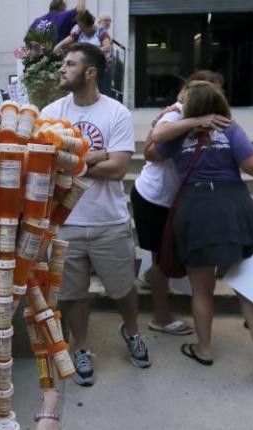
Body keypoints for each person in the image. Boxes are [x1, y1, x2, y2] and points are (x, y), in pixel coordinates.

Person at [148, 81, 253, 377]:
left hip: (196, 208)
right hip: (234, 205)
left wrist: (172, 118)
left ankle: (204, 349)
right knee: (247, 285)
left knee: (202, 290)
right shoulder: (231, 130)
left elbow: (152, 151)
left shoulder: (178, 135)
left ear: (188, 108)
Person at [40, 43, 149, 388]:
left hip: (108, 220)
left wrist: (71, 164)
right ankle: (81, 347)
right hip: (66, 221)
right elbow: (44, 165)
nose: (62, 69)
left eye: (70, 64)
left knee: (123, 289)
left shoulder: (116, 113)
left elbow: (117, 169)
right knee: (73, 293)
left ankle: (131, 330)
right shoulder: (51, 112)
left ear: (90, 72)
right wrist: (97, 156)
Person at [132, 70, 228, 337]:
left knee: (169, 256)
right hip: (155, 197)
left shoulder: (209, 119)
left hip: (180, 200)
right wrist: (192, 124)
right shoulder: (175, 115)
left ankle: (152, 278)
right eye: (206, 91)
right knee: (163, 259)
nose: (211, 98)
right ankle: (161, 317)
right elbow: (151, 153)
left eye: (217, 93)